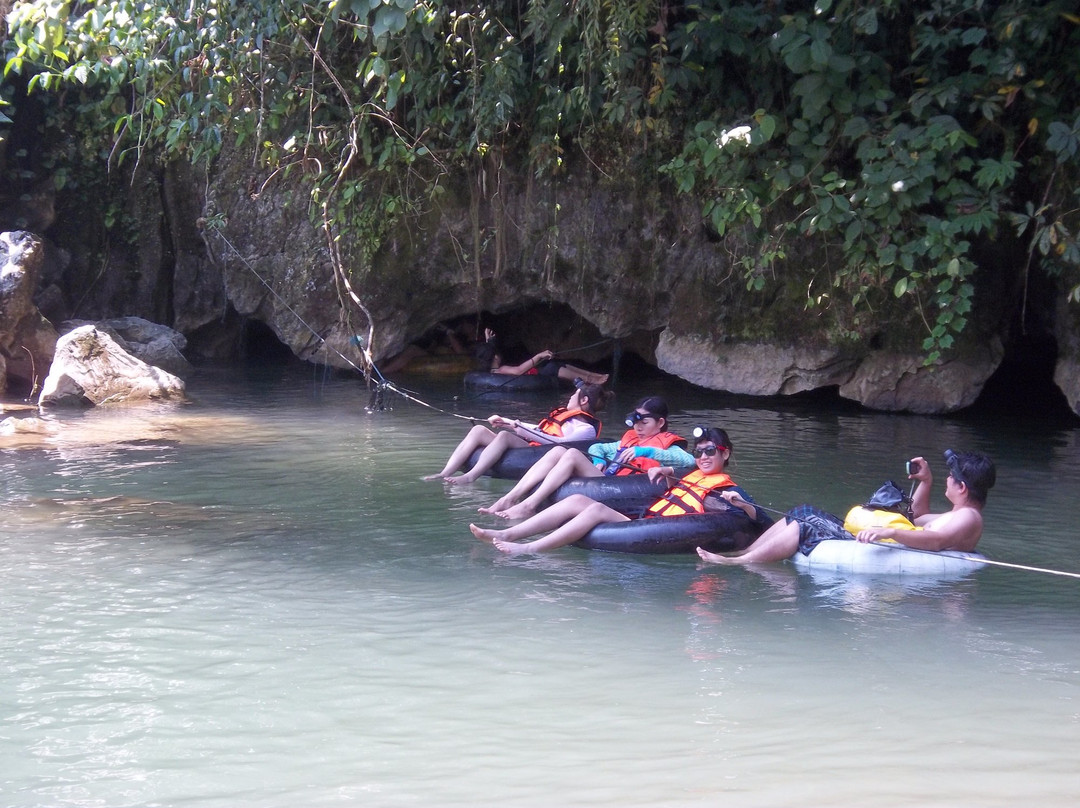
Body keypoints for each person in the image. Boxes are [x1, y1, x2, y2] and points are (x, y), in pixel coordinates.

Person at [470, 427, 768, 554]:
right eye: (700, 451)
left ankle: (529, 548)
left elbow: (761, 522)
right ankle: (506, 533)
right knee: (577, 499)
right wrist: (666, 472)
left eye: (711, 451)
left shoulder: (729, 489)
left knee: (595, 509)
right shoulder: (689, 475)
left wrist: (743, 505)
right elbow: (679, 489)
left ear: (725, 454)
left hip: (659, 530)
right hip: (644, 521)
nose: (703, 456)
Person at [697, 449, 996, 565]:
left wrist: (885, 531)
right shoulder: (958, 514)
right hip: (882, 539)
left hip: (885, 545)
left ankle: (737, 563)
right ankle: (744, 552)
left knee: (806, 522)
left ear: (962, 487)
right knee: (801, 511)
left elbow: (935, 540)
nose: (947, 481)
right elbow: (916, 517)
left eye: (949, 478)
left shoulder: (967, 518)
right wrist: (926, 481)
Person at [478, 396, 695, 519]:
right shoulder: (628, 440)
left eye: (644, 423)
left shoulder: (669, 444)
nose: (638, 428)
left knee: (571, 453)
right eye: (636, 423)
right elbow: (600, 449)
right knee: (557, 452)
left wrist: (645, 452)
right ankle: (510, 499)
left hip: (625, 488)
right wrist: (600, 461)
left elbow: (688, 462)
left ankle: (529, 505)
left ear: (660, 423)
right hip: (607, 481)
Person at [423, 382, 613, 483]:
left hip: (545, 454)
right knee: (479, 430)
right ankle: (444, 473)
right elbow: (539, 429)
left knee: (505, 437)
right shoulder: (567, 418)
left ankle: (471, 476)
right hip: (534, 447)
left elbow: (558, 444)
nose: (570, 397)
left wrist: (518, 429)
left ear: (584, 400)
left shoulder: (586, 429)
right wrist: (506, 422)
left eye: (574, 395)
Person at [475, 329, 609, 385]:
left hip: (533, 375)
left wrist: (489, 341)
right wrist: (539, 356)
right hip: (532, 378)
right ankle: (590, 379)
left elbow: (489, 352)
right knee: (553, 367)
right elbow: (519, 371)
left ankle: (592, 375)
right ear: (495, 358)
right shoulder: (501, 370)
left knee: (557, 364)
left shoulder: (492, 369)